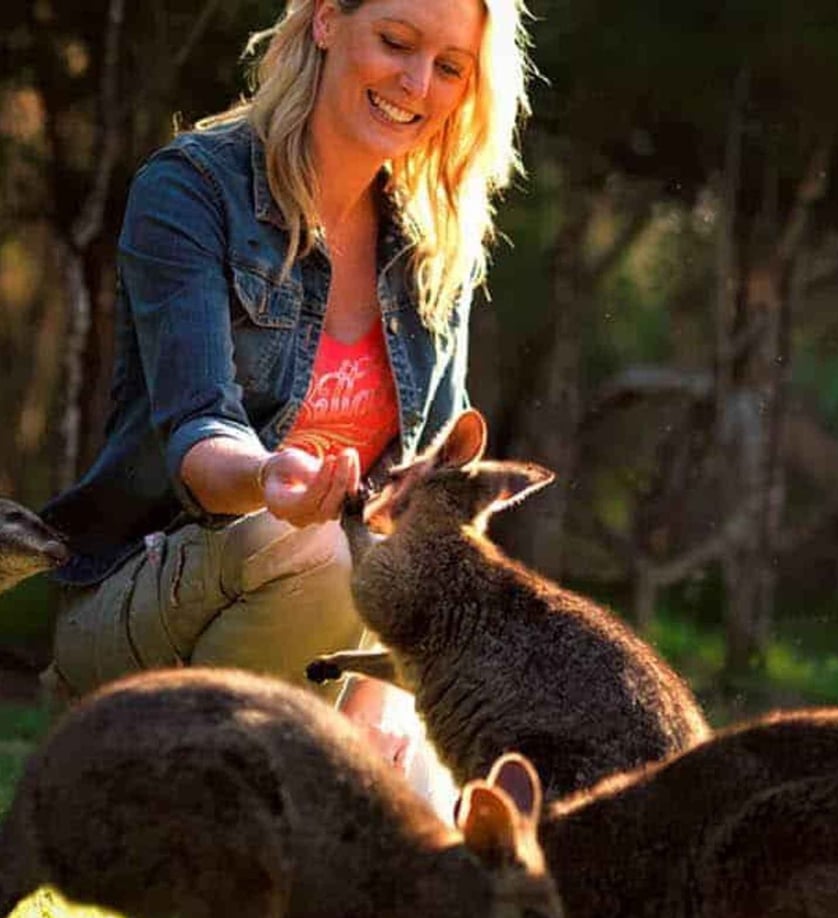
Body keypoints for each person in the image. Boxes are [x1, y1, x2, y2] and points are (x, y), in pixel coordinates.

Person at [40, 0, 529, 709]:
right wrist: (268, 478)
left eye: (450, 67)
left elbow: (425, 501)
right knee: (310, 550)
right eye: (395, 42)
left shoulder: (435, 242)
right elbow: (198, 433)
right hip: (140, 600)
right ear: (327, 21)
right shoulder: (193, 189)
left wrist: (381, 695)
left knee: (444, 792)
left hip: (338, 626)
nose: (417, 85)